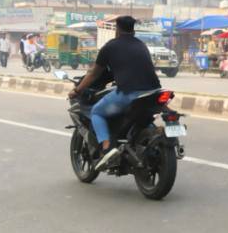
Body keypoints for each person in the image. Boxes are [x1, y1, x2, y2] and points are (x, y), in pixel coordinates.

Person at [68, 15, 162, 170]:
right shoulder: (141, 45)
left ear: (117, 29)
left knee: (97, 111)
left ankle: (107, 147)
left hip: (130, 93)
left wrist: (77, 90)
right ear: (133, 29)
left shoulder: (110, 47)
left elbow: (93, 74)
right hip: (153, 91)